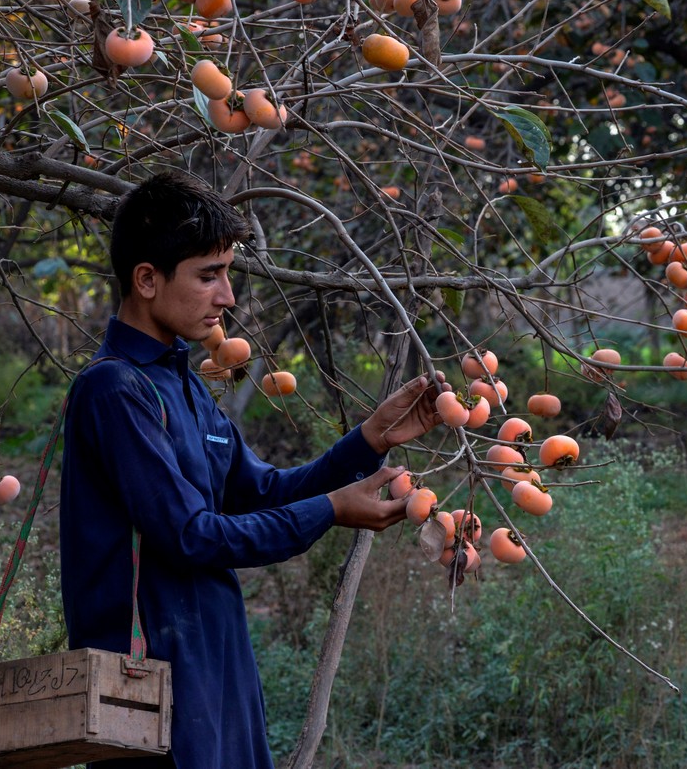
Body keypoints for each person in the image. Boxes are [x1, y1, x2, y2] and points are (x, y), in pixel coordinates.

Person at [59, 171, 446, 769]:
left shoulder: (183, 382)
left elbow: (260, 491)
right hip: (150, 680)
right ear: (146, 279)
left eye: (227, 274)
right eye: (208, 276)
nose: (228, 297)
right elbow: (191, 534)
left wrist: (370, 439)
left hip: (218, 663)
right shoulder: (113, 390)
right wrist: (333, 510)